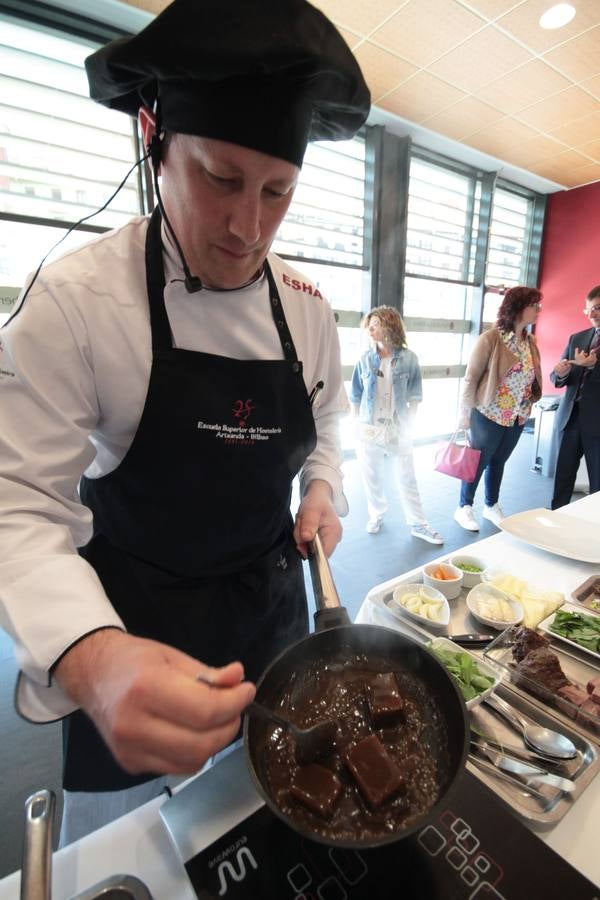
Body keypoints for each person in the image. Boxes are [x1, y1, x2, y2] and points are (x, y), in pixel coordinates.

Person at [0, 0, 370, 843]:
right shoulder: (78, 302)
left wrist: (322, 485)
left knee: (266, 827)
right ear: (154, 139)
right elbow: (14, 501)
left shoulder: (307, 309)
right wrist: (91, 660)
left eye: (278, 192)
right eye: (221, 178)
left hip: (270, 613)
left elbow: (329, 420)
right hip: (132, 630)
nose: (250, 228)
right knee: (134, 857)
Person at [350, 307, 444, 544]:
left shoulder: (409, 358)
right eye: (368, 326)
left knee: (406, 476)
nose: (370, 330)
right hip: (369, 427)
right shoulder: (364, 359)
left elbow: (415, 395)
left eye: (375, 325)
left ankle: (418, 523)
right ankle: (376, 514)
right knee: (371, 475)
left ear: (390, 326)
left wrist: (409, 425)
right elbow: (355, 395)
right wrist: (355, 425)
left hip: (398, 427)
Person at [454, 286, 543, 531]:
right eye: (534, 305)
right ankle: (464, 507)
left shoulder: (529, 340)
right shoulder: (491, 338)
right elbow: (471, 377)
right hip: (489, 412)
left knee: (500, 460)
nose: (538, 310)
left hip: (517, 414)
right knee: (479, 460)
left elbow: (532, 373)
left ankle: (491, 505)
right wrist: (464, 412)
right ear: (518, 307)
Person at [550, 285, 600, 509]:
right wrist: (560, 373)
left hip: (597, 423)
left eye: (598, 308)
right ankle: (556, 520)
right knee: (563, 478)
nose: (592, 314)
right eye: (588, 310)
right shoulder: (577, 338)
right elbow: (557, 375)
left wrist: (594, 366)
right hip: (569, 419)